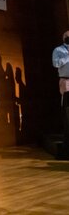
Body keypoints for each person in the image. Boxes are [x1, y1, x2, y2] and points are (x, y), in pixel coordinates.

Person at [52, 30, 69, 159]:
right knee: (67, 110)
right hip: (66, 81)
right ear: (64, 38)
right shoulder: (58, 50)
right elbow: (56, 63)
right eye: (67, 36)